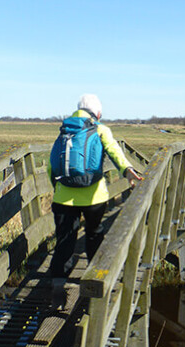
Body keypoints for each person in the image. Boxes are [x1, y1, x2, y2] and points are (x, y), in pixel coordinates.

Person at [49, 94, 143, 308]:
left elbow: (51, 164)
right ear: (98, 113)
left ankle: (57, 288)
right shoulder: (100, 129)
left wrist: (58, 189)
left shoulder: (65, 129)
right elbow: (114, 151)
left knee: (65, 240)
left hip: (63, 197)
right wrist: (127, 170)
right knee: (94, 236)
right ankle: (96, 283)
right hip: (94, 197)